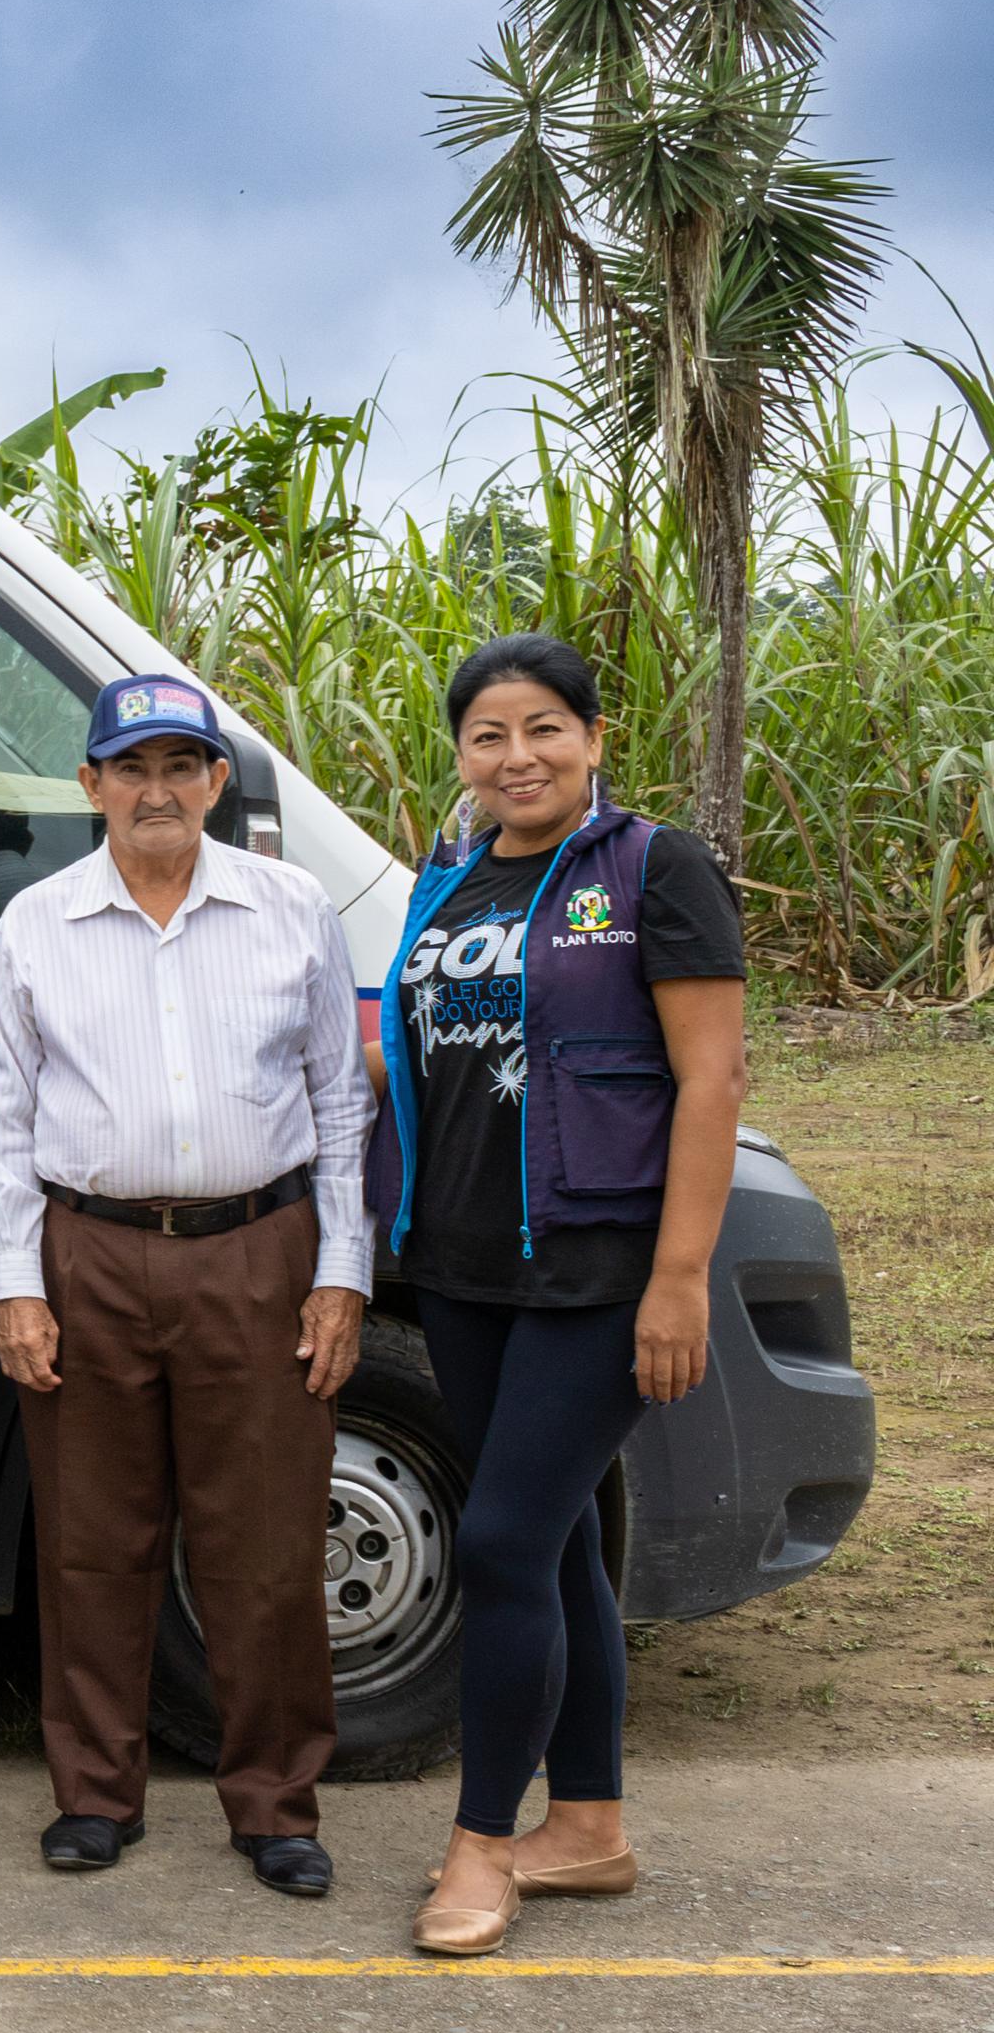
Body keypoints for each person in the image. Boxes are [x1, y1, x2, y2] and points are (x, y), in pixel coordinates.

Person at [0, 674, 372, 1898]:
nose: (155, 789)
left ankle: (275, 1805)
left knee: (263, 1545)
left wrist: (340, 1272)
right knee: (91, 1543)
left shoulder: (289, 908)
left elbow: (338, 1104)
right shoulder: (34, 922)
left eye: (178, 766)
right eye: (129, 767)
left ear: (213, 782)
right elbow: (4, 1118)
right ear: (88, 785)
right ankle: (95, 1795)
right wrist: (13, 1285)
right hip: (85, 1255)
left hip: (257, 1251)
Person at [379, 635, 744, 1958]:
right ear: (461, 754)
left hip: (596, 1264)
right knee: (562, 1540)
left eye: (542, 728)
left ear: (593, 737)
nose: (516, 756)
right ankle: (587, 1826)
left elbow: (711, 1078)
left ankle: (481, 1843)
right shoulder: (448, 879)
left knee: (500, 1542)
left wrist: (678, 1279)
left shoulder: (652, 870)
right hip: (464, 1264)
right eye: (487, 735)